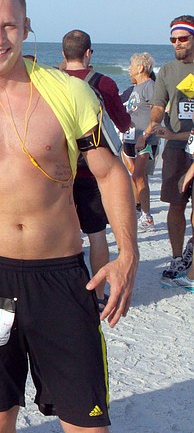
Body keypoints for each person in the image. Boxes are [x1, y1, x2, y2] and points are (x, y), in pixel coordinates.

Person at [0, 0, 137, 433]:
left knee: (87, 428)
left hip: (60, 279)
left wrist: (127, 253)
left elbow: (111, 174)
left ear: (26, 28)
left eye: (9, 25)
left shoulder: (69, 94)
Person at [61, 30, 132, 302]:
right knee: (97, 235)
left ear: (63, 54)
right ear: (88, 53)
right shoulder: (103, 83)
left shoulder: (53, 82)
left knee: (62, 237)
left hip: (58, 172)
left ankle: (67, 293)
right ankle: (99, 294)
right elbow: (122, 122)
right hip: (92, 170)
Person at [144, 16, 194, 283]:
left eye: (183, 39)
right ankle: (178, 257)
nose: (177, 44)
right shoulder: (167, 71)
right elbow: (159, 103)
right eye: (173, 39)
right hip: (176, 147)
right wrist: (154, 121)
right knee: (176, 205)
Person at [122, 53, 159, 232]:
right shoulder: (135, 88)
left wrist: (145, 136)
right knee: (133, 177)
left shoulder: (150, 87)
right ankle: (138, 212)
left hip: (145, 140)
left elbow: (156, 115)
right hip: (130, 137)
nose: (129, 68)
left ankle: (147, 216)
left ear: (140, 68)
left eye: (131, 65)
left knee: (139, 176)